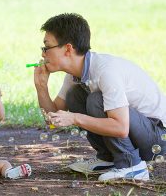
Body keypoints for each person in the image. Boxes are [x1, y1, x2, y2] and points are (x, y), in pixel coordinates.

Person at [34, 13, 166, 181]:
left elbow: (120, 127)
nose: (43, 54)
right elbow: (52, 120)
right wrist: (41, 87)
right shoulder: (74, 76)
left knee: (96, 100)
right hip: (139, 132)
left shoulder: (105, 71)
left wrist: (75, 118)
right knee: (75, 95)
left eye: (46, 47)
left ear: (68, 48)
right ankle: (108, 159)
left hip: (158, 137)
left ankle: (132, 166)